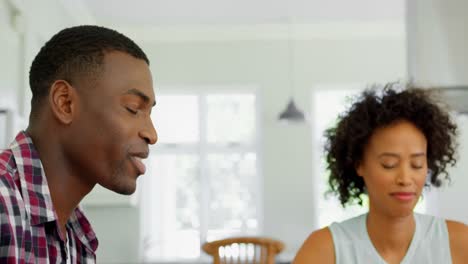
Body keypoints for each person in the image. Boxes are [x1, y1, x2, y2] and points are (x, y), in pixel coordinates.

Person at [0, 25, 157, 263]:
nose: (152, 134)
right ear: (65, 103)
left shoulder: (78, 234)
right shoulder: (3, 202)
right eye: (133, 108)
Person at [293, 84, 468, 264]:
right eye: (389, 164)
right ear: (359, 164)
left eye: (417, 164)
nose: (405, 179)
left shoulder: (458, 243)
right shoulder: (324, 250)